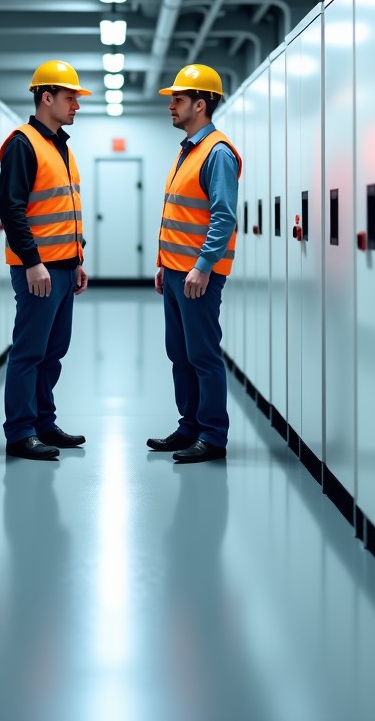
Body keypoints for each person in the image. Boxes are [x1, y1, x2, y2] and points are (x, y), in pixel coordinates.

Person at [148, 64, 242, 463]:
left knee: (203, 355)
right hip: (175, 273)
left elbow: (223, 217)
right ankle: (189, 427)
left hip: (198, 276)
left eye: (179, 99)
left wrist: (203, 266)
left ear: (200, 105)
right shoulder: (188, 150)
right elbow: (179, 215)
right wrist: (163, 264)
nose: (171, 105)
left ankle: (213, 436)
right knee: (180, 354)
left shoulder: (216, 152)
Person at [0, 60, 91, 461]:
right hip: (38, 269)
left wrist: (77, 259)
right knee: (29, 351)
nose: (76, 106)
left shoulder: (60, 146)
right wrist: (33, 262)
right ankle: (20, 432)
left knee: (54, 350)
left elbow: (64, 210)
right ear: (46, 97)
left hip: (64, 267)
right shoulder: (23, 143)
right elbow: (12, 210)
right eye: (70, 98)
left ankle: (43, 423)